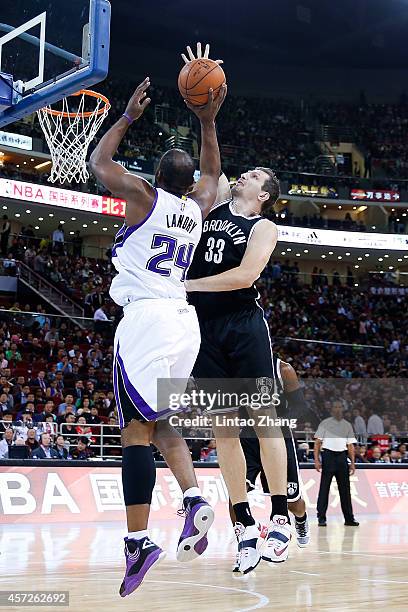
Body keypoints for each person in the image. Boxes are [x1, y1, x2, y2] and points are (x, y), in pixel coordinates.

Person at [89, 51, 227, 596]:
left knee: (134, 433)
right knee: (162, 421)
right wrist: (208, 120)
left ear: (154, 178)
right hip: (183, 324)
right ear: (190, 181)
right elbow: (214, 170)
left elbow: (100, 166)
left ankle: (138, 538)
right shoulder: (197, 209)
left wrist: (125, 118)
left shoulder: (144, 199)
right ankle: (194, 500)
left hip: (146, 320)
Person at [186, 163, 289, 568]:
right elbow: (214, 165)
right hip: (203, 328)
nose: (245, 175)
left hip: (243, 325)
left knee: (266, 421)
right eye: (244, 173)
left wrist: (187, 285)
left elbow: (246, 276)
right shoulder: (215, 207)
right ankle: (244, 522)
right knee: (223, 430)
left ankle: (279, 514)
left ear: (264, 194)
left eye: (256, 175)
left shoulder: (263, 227)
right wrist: (207, 118)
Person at [230, 357, 310, 572]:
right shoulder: (233, 367)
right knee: (236, 495)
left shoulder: (283, 369)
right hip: (247, 439)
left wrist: (275, 421)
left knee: (292, 502)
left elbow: (300, 407)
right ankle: (244, 545)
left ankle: (300, 520)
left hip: (278, 437)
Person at [314, 401, 359, 526]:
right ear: (332, 409)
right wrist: (317, 460)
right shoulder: (325, 423)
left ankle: (349, 518)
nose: (338, 409)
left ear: (343, 409)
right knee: (324, 488)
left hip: (342, 457)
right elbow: (317, 443)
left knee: (345, 490)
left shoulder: (347, 425)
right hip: (328, 456)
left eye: (340, 407)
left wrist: (353, 463)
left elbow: (350, 445)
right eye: (335, 407)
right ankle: (321, 518)